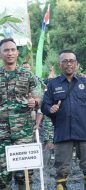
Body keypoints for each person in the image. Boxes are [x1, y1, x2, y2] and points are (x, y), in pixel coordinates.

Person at [41, 49, 86, 190]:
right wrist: (49, 109)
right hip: (63, 133)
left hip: (84, 131)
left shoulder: (85, 83)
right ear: (59, 64)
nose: (68, 64)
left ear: (76, 64)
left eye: (71, 61)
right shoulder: (53, 84)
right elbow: (44, 105)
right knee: (61, 170)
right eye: (65, 61)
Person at [0, 38, 40, 190]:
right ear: (1, 53)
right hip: (1, 134)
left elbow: (38, 97)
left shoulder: (28, 75)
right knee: (2, 176)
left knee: (23, 175)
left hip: (23, 133)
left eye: (12, 50)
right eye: (6, 50)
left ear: (17, 53)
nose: (10, 53)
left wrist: (34, 102)